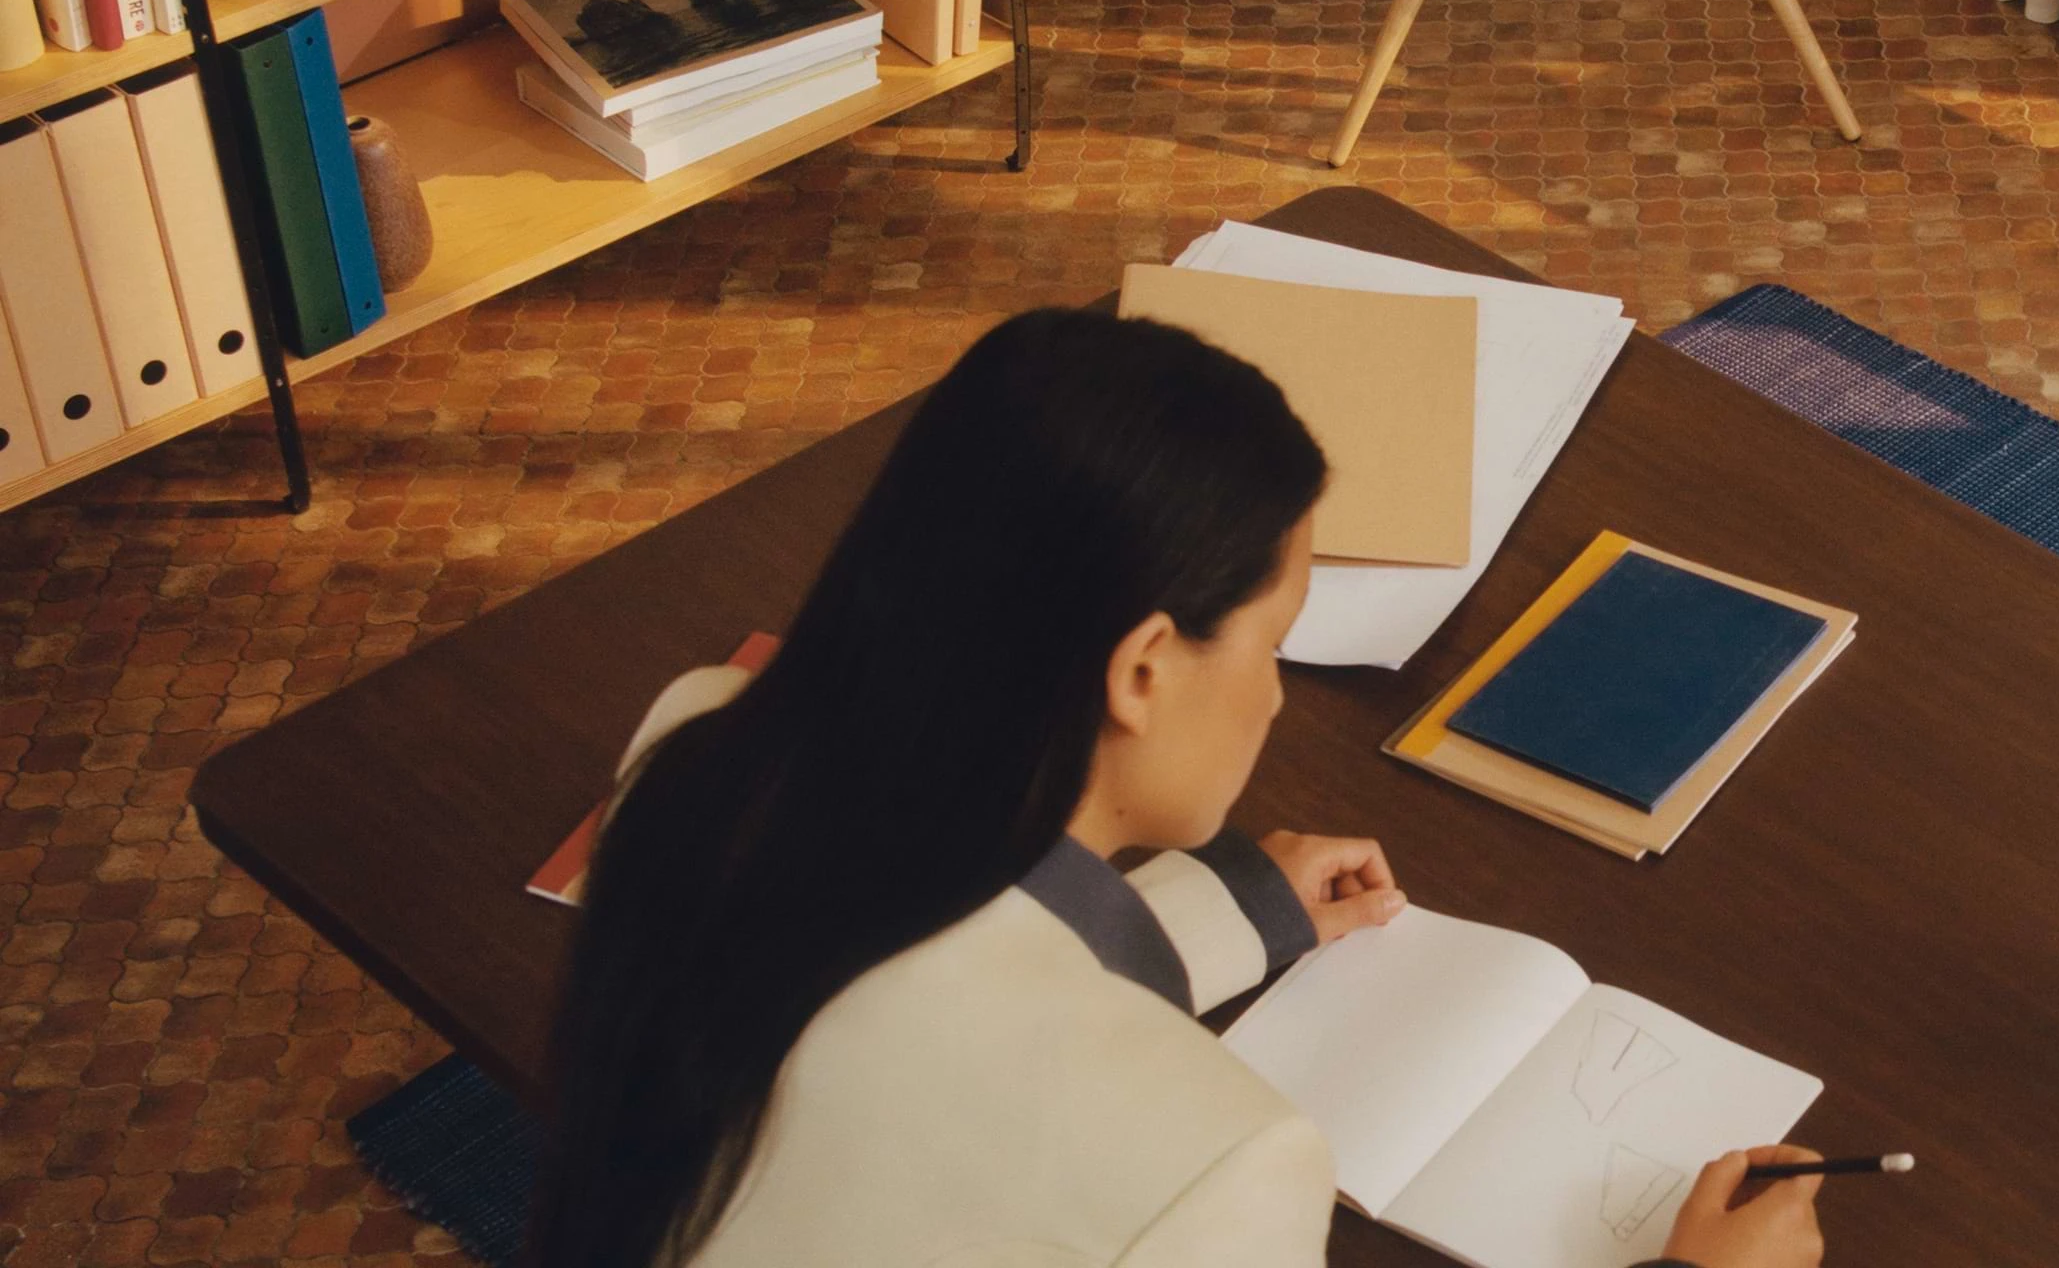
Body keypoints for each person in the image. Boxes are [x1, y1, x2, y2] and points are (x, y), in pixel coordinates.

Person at [535, 307, 1827, 1268]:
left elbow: (910, 979)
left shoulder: (695, 740)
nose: (1272, 698)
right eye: (1271, 644)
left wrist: (1220, 920)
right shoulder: (1219, 1165)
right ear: (1144, 668)